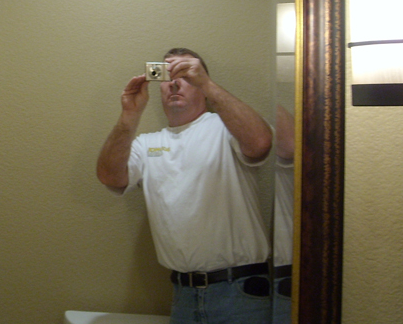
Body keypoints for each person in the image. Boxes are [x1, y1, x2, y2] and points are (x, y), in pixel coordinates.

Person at [97, 48, 273, 324]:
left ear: (201, 84)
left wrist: (207, 83)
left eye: (185, 74)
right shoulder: (147, 144)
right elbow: (109, 176)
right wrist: (130, 114)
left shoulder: (227, 128)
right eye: (167, 75)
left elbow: (261, 143)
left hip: (240, 292)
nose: (175, 83)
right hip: (183, 295)